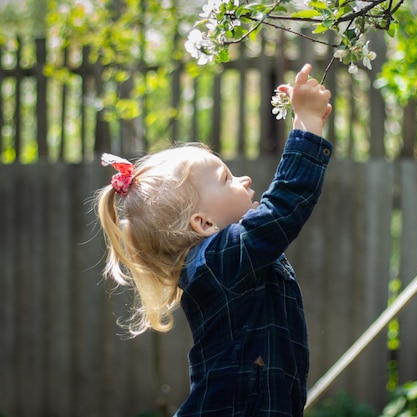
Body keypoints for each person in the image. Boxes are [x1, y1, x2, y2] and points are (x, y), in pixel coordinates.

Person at [95, 63, 333, 417]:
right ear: (203, 222)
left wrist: (301, 117)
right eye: (227, 178)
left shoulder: (225, 260)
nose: (246, 179)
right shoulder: (220, 261)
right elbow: (282, 207)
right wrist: (309, 129)